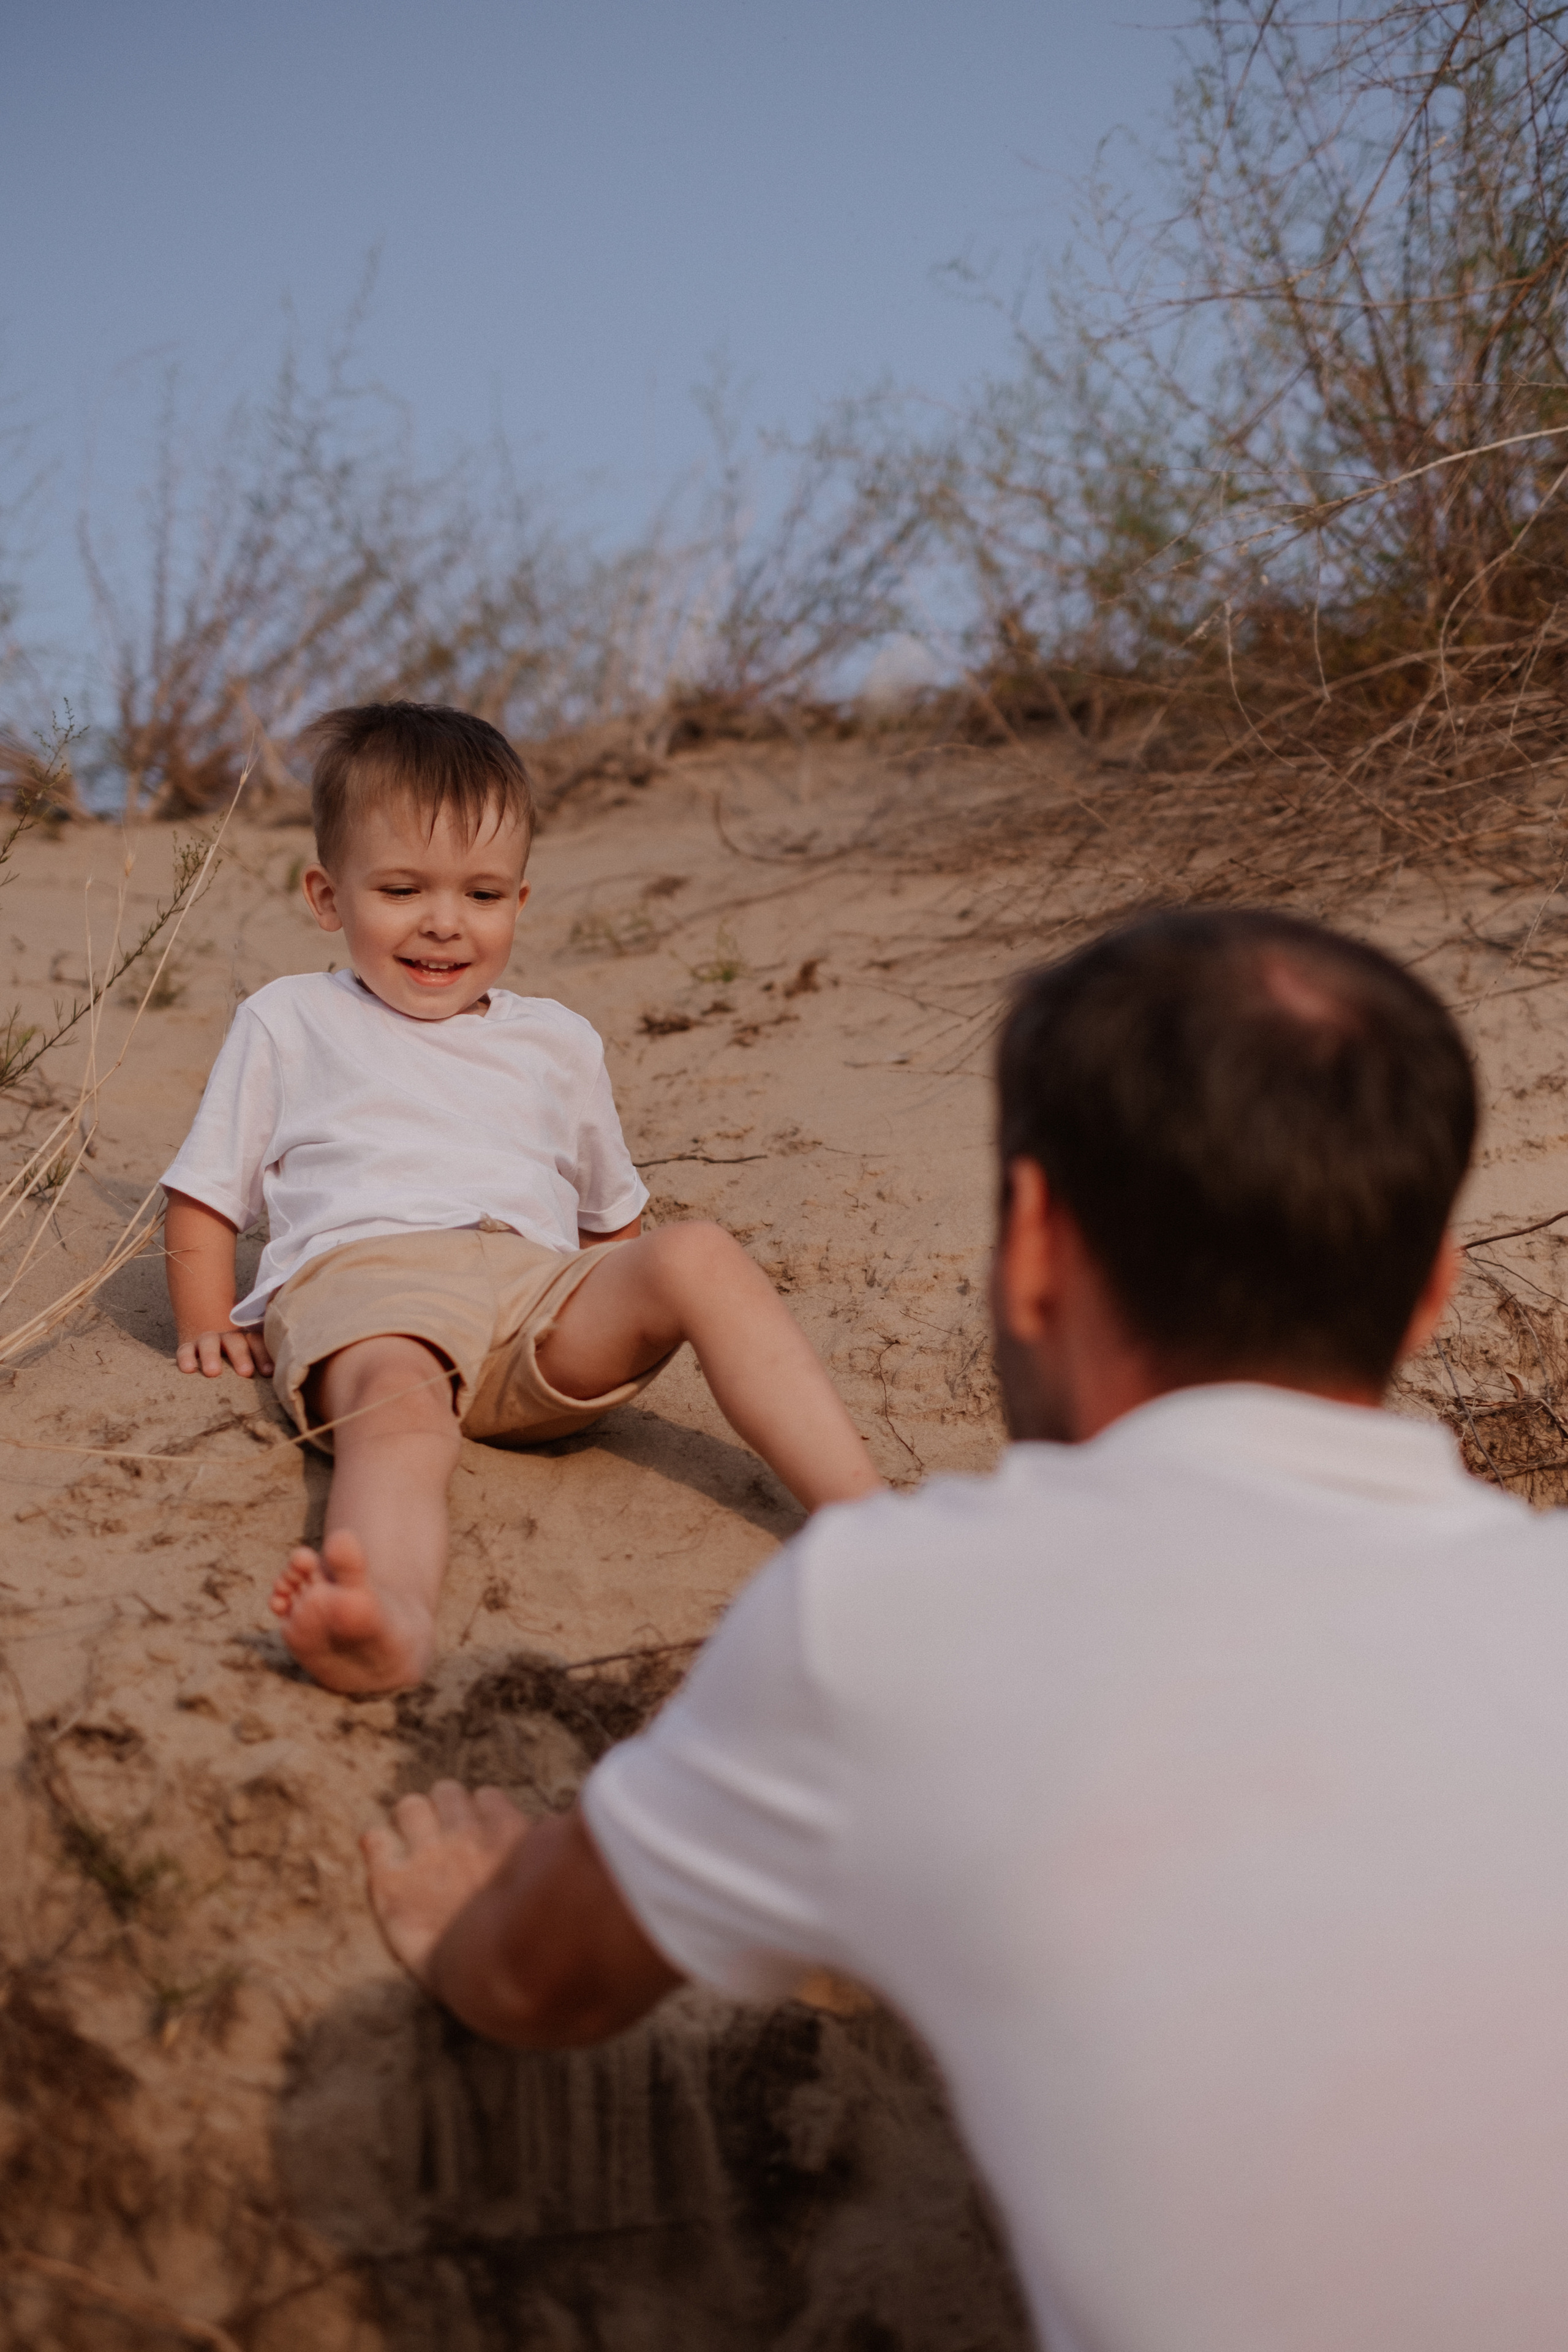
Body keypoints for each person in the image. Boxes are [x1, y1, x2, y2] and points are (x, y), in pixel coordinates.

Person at [364, 905, 1568, 2352]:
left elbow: (540, 1980)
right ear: (1434, 1283)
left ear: (1036, 1244)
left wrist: (458, 1922)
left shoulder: (887, 1614)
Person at [160, 701, 880, 1694]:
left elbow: (611, 1219)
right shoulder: (292, 1018)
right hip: (374, 1290)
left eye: (483, 893)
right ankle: (390, 1617)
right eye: (402, 888)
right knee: (399, 1415)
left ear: (521, 903)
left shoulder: (558, 1039)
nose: (445, 922)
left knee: (698, 1252)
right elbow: (204, 1189)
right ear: (328, 896)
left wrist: (635, 1292)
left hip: (535, 1309)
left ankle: (869, 1520)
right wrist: (206, 1322)